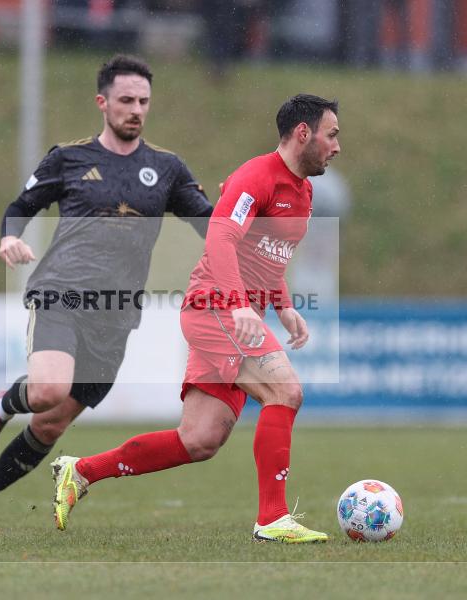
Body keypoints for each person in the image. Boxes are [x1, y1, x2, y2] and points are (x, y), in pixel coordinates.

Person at [50, 93, 341, 543]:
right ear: (304, 133)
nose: (336, 146)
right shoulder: (255, 177)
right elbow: (220, 239)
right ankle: (272, 518)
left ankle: (82, 471)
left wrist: (283, 305)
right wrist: (239, 304)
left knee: (200, 438)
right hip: (216, 308)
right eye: (331, 134)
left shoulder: (303, 191)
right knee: (285, 391)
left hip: (235, 313)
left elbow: (267, 255)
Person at [0, 55, 214, 529]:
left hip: (116, 315)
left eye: (144, 101)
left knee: (50, 423)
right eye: (126, 100)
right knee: (48, 389)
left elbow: (207, 223)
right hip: (61, 293)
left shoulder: (167, 168)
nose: (136, 109)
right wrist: (9, 238)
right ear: (102, 102)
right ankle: (1, 405)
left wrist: (245, 219)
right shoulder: (68, 158)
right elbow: (21, 205)